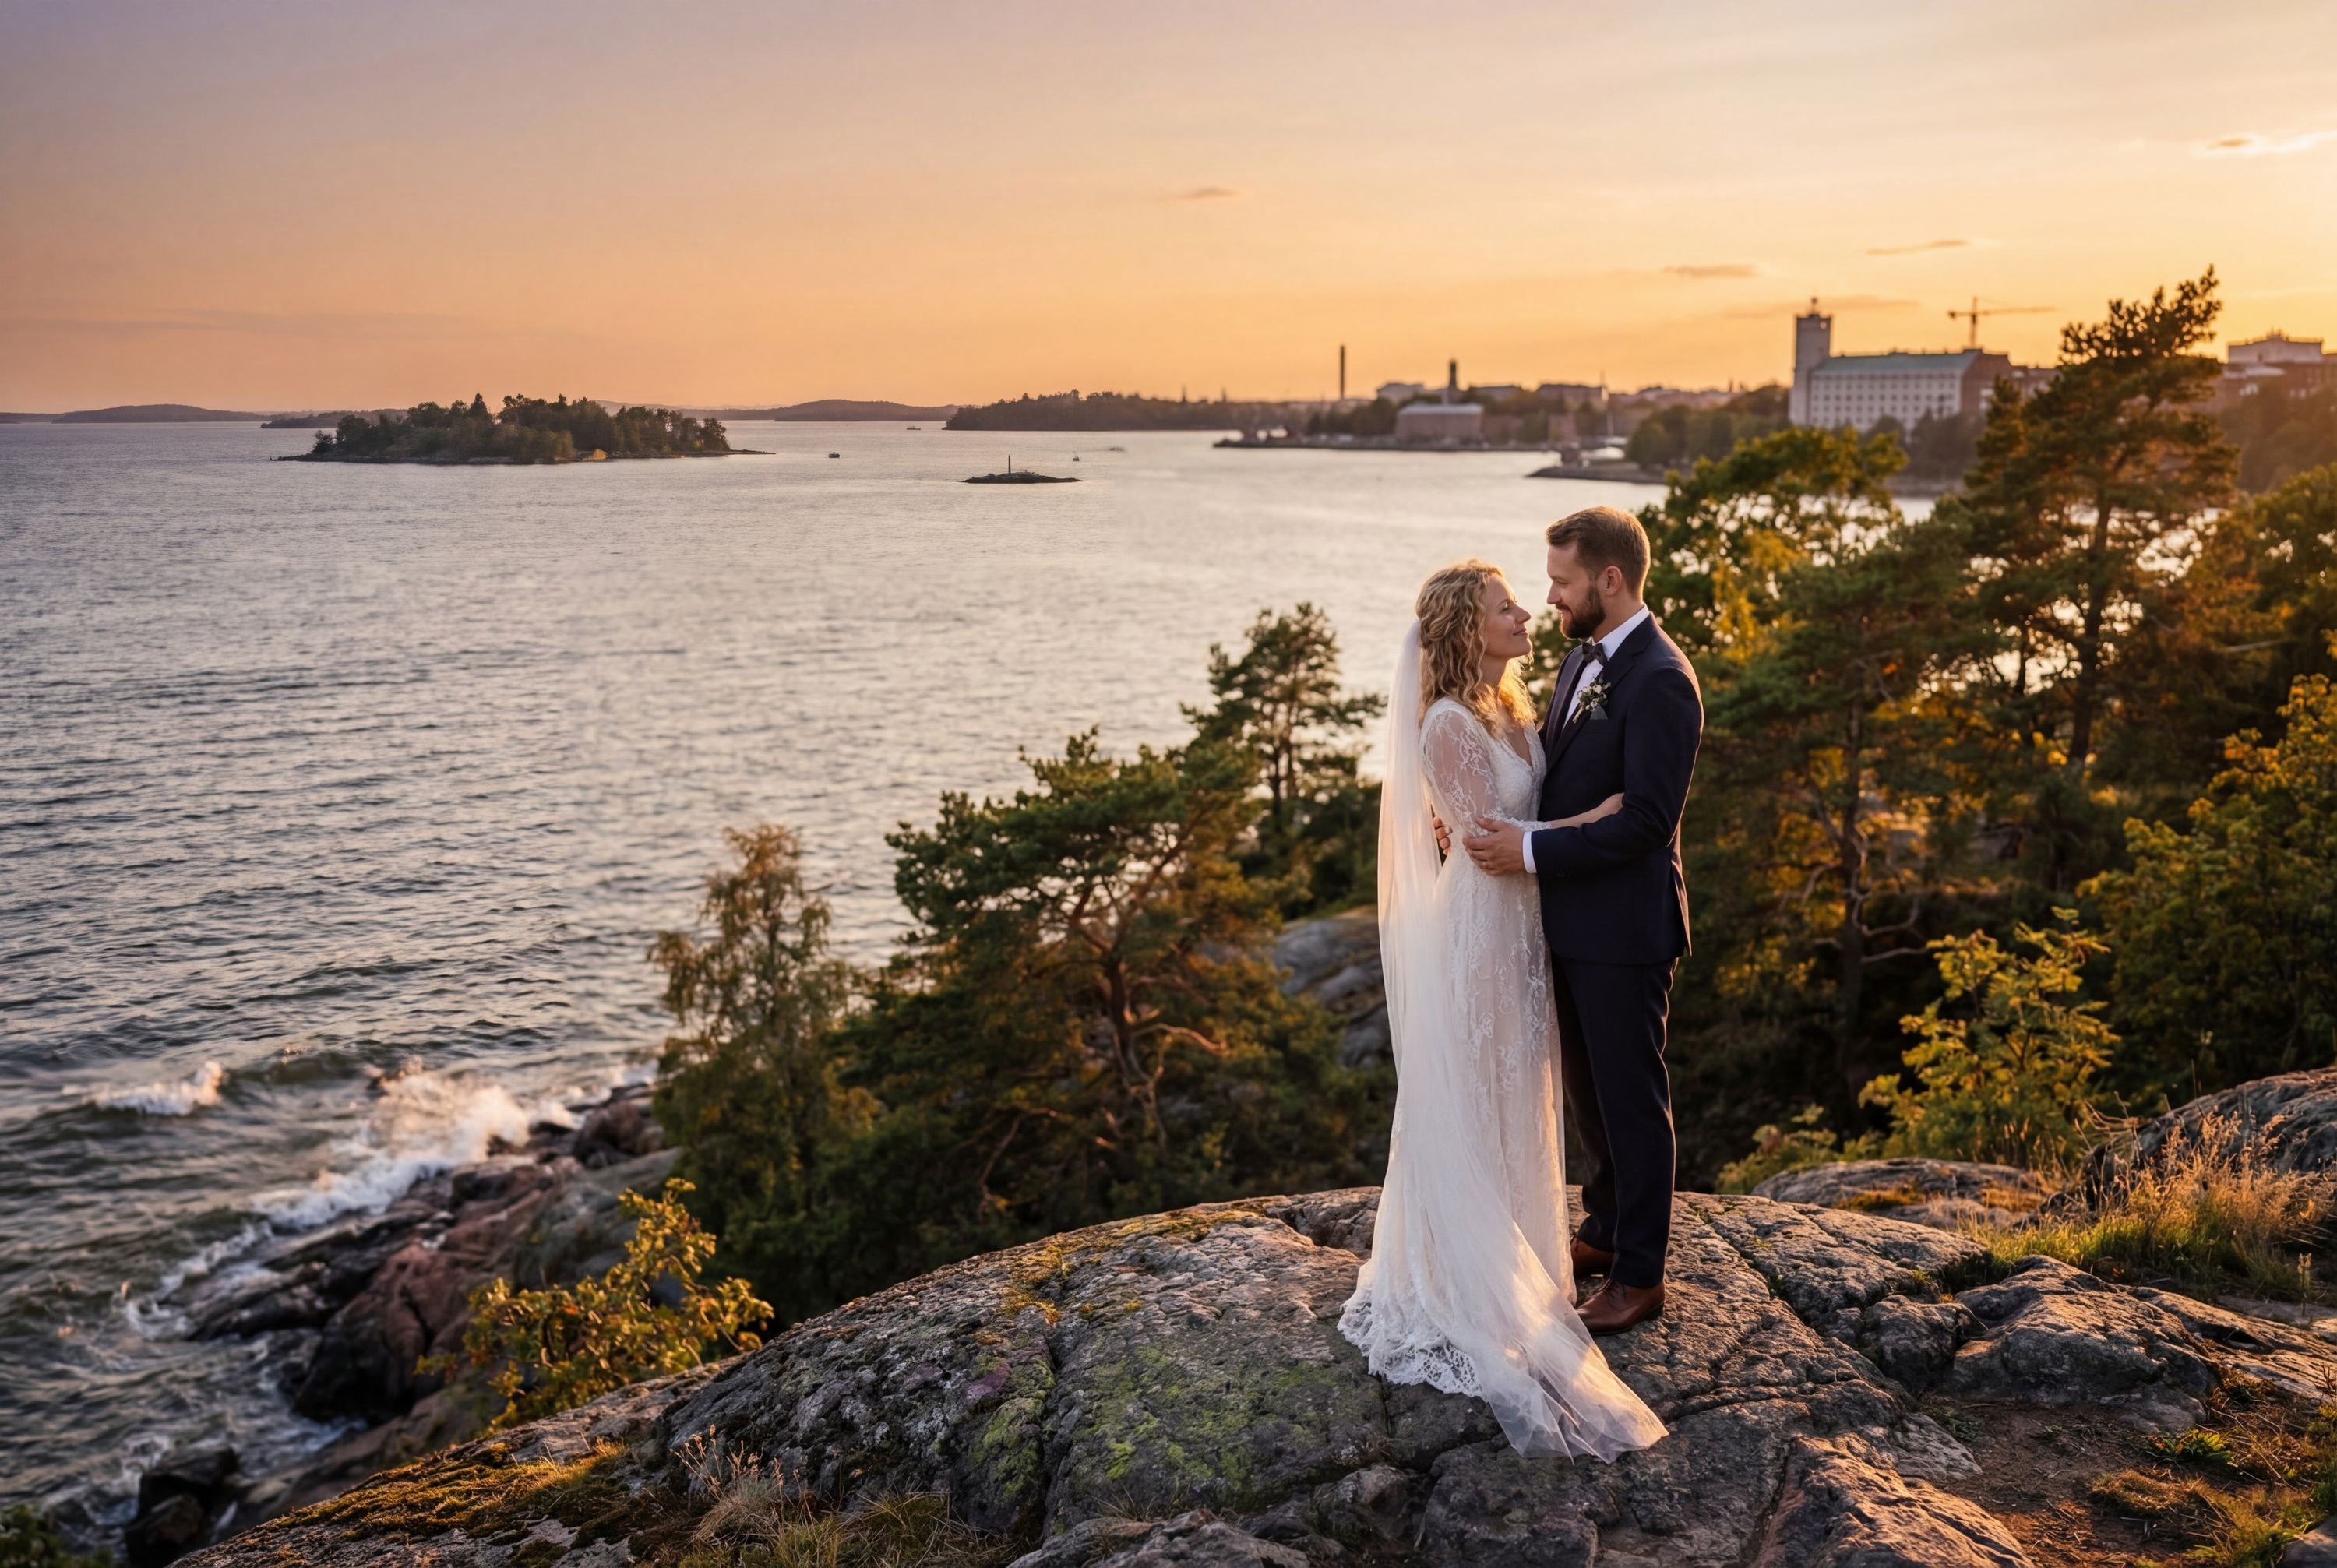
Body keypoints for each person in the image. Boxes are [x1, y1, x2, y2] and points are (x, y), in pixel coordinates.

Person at [1338, 557, 1667, 1460]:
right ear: (1462, 627)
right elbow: (1485, 843)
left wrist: (1575, 822)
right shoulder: (1446, 722)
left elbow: (1518, 817)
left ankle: (1527, 1252)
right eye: (1504, 606)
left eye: (1526, 599)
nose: (1526, 613)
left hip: (1535, 929)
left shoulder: (1519, 706)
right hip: (1483, 931)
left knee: (1524, 1092)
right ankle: (1461, 1277)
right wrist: (1597, 816)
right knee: (1482, 1090)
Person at [1460, 505, 1704, 1336]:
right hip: (1568, 924)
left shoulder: (1661, 680)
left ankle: (1642, 1275)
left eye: (1563, 583)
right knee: (1590, 1097)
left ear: (1608, 580)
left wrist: (1525, 853)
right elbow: (1558, 783)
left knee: (1632, 1101)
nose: (1550, 600)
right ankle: (1603, 1228)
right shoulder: (1580, 664)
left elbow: (1644, 823)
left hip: (1626, 929)